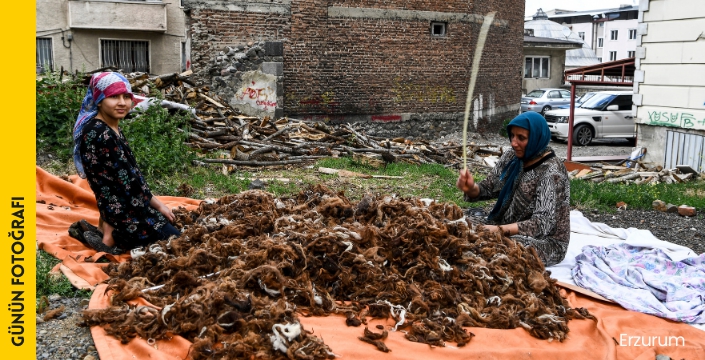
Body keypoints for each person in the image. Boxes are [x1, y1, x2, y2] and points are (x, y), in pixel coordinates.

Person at [71, 72, 179, 254]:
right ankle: (112, 238)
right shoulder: (102, 135)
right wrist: (158, 206)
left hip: (115, 206)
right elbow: (128, 185)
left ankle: (105, 228)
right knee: (175, 240)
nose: (122, 103)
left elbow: (120, 177)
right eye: (113, 96)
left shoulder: (108, 127)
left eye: (126, 97)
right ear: (99, 100)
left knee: (168, 227)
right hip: (124, 211)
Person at [456, 112, 570, 266]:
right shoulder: (512, 156)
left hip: (546, 241)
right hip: (506, 225)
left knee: (494, 249)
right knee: (459, 226)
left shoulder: (551, 172)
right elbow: (489, 187)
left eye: (521, 138)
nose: (514, 143)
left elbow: (542, 223)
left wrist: (498, 230)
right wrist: (471, 188)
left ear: (537, 137)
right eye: (512, 136)